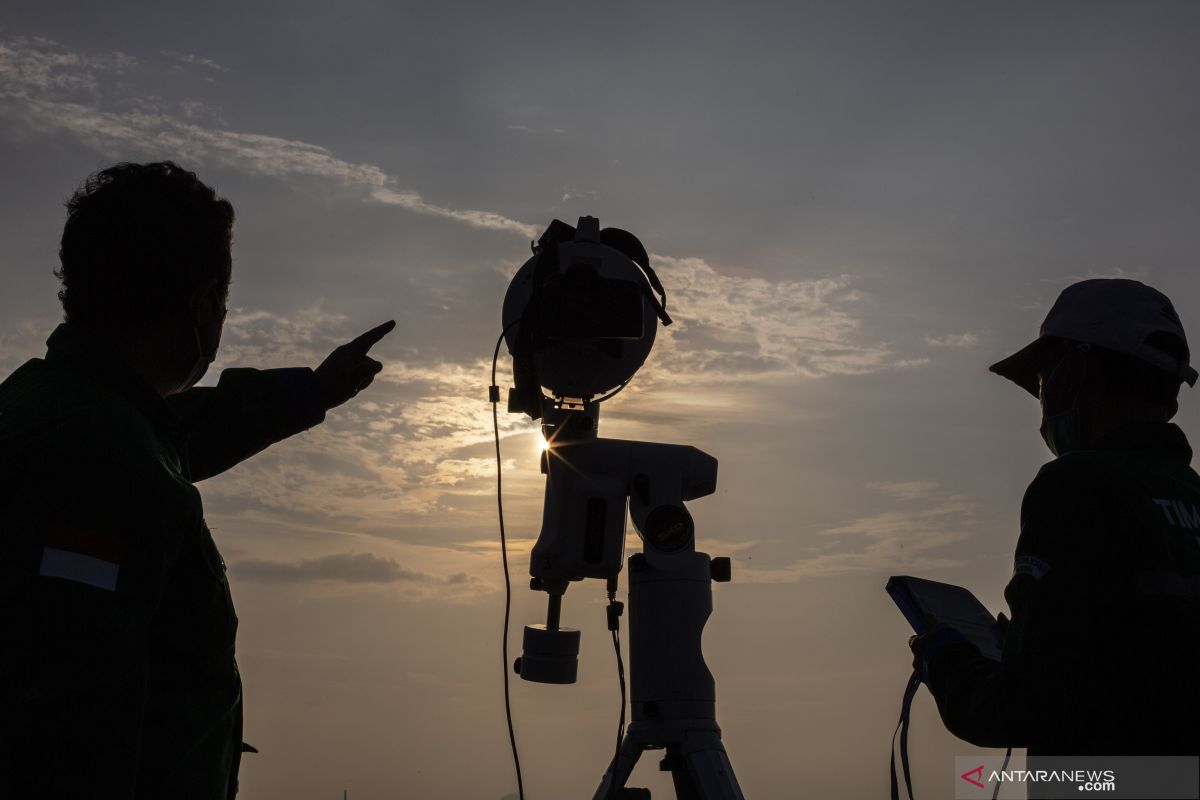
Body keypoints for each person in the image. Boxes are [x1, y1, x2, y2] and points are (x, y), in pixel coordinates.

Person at [0, 161, 395, 798]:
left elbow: (179, 433)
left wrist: (312, 390)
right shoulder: (96, 462)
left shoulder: (57, 407)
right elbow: (66, 719)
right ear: (201, 304)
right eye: (224, 301)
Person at [910, 278, 1200, 762]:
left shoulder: (1074, 486)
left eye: (1044, 382)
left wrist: (946, 659)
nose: (1044, 402)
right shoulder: (1190, 495)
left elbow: (1024, 707)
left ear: (1075, 373)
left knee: (974, 787)